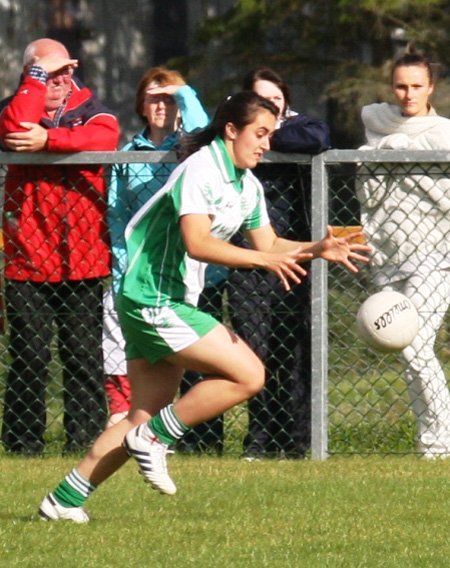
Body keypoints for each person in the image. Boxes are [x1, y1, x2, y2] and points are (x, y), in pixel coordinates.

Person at [39, 91, 369, 522]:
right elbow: (198, 243)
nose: (267, 143)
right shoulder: (201, 168)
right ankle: (155, 440)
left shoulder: (246, 183)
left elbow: (268, 244)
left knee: (141, 415)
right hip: (151, 296)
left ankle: (64, 499)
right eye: (260, 133)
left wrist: (316, 248)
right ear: (231, 130)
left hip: (165, 299)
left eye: (271, 134)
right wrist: (264, 260)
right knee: (249, 374)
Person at [0, 38, 120, 454]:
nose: (62, 78)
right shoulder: (15, 105)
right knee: (30, 356)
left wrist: (49, 141)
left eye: (67, 69)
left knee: (83, 357)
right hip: (27, 259)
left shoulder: (91, 108)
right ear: (30, 74)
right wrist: (34, 85)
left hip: (83, 259)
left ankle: (85, 442)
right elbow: (15, 129)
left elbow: (105, 137)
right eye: (50, 72)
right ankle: (21, 443)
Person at [227, 67, 330, 460]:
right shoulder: (235, 131)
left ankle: (298, 439)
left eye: (276, 101)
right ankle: (259, 440)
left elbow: (318, 137)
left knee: (294, 352)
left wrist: (264, 132)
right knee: (254, 353)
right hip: (250, 257)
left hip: (293, 256)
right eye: (261, 102)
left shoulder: (299, 127)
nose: (270, 107)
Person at [356, 45, 450, 458]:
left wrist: (398, 157)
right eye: (400, 87)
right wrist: (385, 153)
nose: (408, 95)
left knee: (414, 343)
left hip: (438, 254)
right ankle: (430, 437)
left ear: (431, 87)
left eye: (416, 86)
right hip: (390, 252)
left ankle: (439, 441)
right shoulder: (378, 126)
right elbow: (369, 190)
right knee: (405, 350)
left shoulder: (444, 135)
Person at [103, 66, 209, 427]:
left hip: (184, 265)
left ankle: (186, 430)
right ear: (141, 105)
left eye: (169, 98)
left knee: (186, 352)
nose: (162, 105)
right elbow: (116, 215)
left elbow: (202, 130)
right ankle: (139, 422)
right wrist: (122, 264)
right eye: (155, 98)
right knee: (142, 355)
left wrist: (184, 92)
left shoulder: (190, 144)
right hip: (139, 271)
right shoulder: (127, 153)